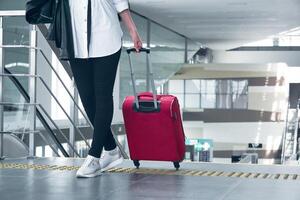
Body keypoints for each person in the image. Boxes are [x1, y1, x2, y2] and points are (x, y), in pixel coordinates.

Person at [68, 0, 143, 178]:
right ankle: (111, 149)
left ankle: (94, 156)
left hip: (106, 38)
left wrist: (133, 32)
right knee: (87, 98)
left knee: (102, 95)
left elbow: (120, 3)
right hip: (76, 41)